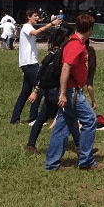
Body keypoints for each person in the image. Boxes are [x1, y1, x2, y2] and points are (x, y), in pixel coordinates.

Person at [45, 13, 102, 171]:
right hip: (71, 93)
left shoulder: (73, 42)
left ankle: (52, 164)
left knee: (62, 127)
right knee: (90, 120)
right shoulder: (76, 45)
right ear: (90, 29)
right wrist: (63, 93)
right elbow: (66, 68)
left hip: (71, 91)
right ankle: (86, 161)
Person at [25, 23, 75, 154]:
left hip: (47, 90)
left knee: (42, 118)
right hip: (56, 91)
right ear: (66, 37)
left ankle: (30, 144)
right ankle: (80, 146)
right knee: (71, 117)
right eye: (71, 36)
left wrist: (36, 90)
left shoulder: (52, 50)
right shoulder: (62, 52)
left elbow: (42, 72)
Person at [11, 9, 55, 125]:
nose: (37, 18)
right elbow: (35, 33)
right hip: (29, 63)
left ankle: (14, 119)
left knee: (25, 92)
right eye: (35, 16)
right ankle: (33, 118)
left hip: (29, 63)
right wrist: (51, 24)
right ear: (29, 17)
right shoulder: (26, 27)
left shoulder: (30, 27)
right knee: (39, 89)